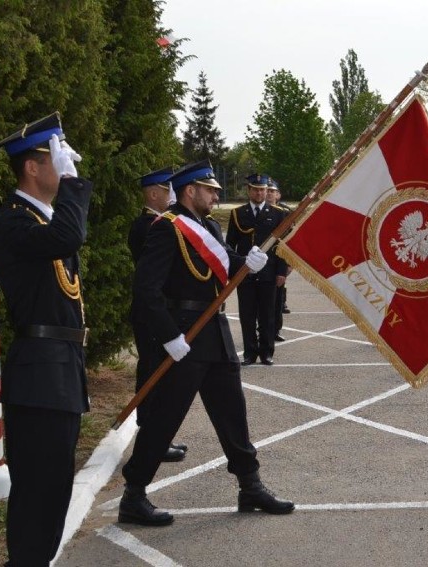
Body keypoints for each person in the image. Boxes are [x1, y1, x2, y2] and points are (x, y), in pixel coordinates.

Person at [120, 160, 294, 526]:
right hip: (185, 333)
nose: (216, 194)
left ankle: (250, 485)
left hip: (213, 330)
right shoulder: (166, 228)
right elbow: (145, 291)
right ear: (189, 191)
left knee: (233, 412)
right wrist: (169, 336)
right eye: (209, 189)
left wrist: (249, 261)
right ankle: (134, 495)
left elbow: (225, 263)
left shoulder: (208, 225)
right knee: (164, 417)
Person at [0, 113, 91, 565]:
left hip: (61, 369)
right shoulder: (11, 222)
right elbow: (70, 234)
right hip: (41, 374)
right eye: (58, 157)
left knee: (53, 492)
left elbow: (65, 237)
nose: (67, 166)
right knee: (37, 495)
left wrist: (66, 183)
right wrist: (72, 184)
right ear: (32, 166)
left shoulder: (42, 220)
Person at [127, 167, 188, 463]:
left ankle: (160, 436)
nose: (173, 196)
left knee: (161, 375)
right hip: (152, 313)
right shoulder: (147, 226)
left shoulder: (158, 223)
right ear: (153, 194)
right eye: (168, 190)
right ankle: (151, 439)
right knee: (152, 374)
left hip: (160, 311)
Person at [226, 174, 288, 365]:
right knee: (247, 315)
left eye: (263, 189)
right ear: (249, 190)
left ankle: (267, 352)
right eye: (255, 189)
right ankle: (249, 353)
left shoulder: (278, 214)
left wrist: (281, 272)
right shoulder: (238, 214)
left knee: (267, 315)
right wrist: (234, 270)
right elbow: (229, 246)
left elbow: (282, 247)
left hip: (269, 273)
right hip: (245, 273)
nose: (259, 193)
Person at [264, 179, 291, 337]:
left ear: (278, 195)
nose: (268, 194)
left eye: (272, 191)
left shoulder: (284, 212)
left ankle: (276, 329)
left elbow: (288, 239)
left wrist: (289, 263)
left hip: (278, 260)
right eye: (267, 191)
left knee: (278, 297)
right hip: (264, 261)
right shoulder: (260, 212)